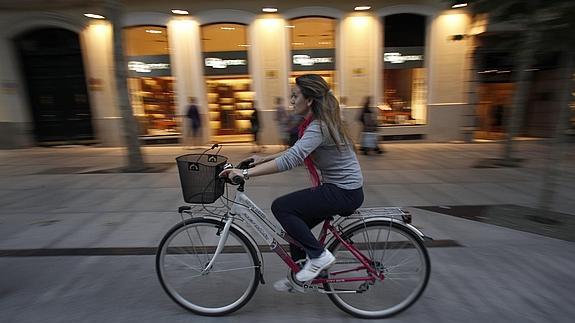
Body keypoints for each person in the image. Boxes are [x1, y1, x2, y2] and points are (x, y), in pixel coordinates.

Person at [219, 74, 364, 291]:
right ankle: (303, 274)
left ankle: (319, 257)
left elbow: (292, 160)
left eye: (295, 96)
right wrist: (262, 159)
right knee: (295, 229)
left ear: (310, 100)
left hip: (343, 192)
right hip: (341, 189)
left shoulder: (319, 127)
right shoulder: (318, 124)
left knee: (282, 207)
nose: (292, 101)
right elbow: (297, 151)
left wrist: (246, 173)